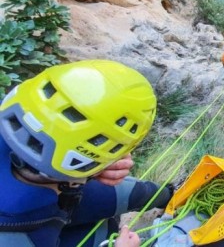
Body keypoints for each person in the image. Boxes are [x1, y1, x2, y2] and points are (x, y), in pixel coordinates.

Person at [0, 60, 173, 246]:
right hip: (38, 223)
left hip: (57, 196)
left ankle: (169, 195)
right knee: (104, 230)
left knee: (126, 197)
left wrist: (96, 167)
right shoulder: (14, 236)